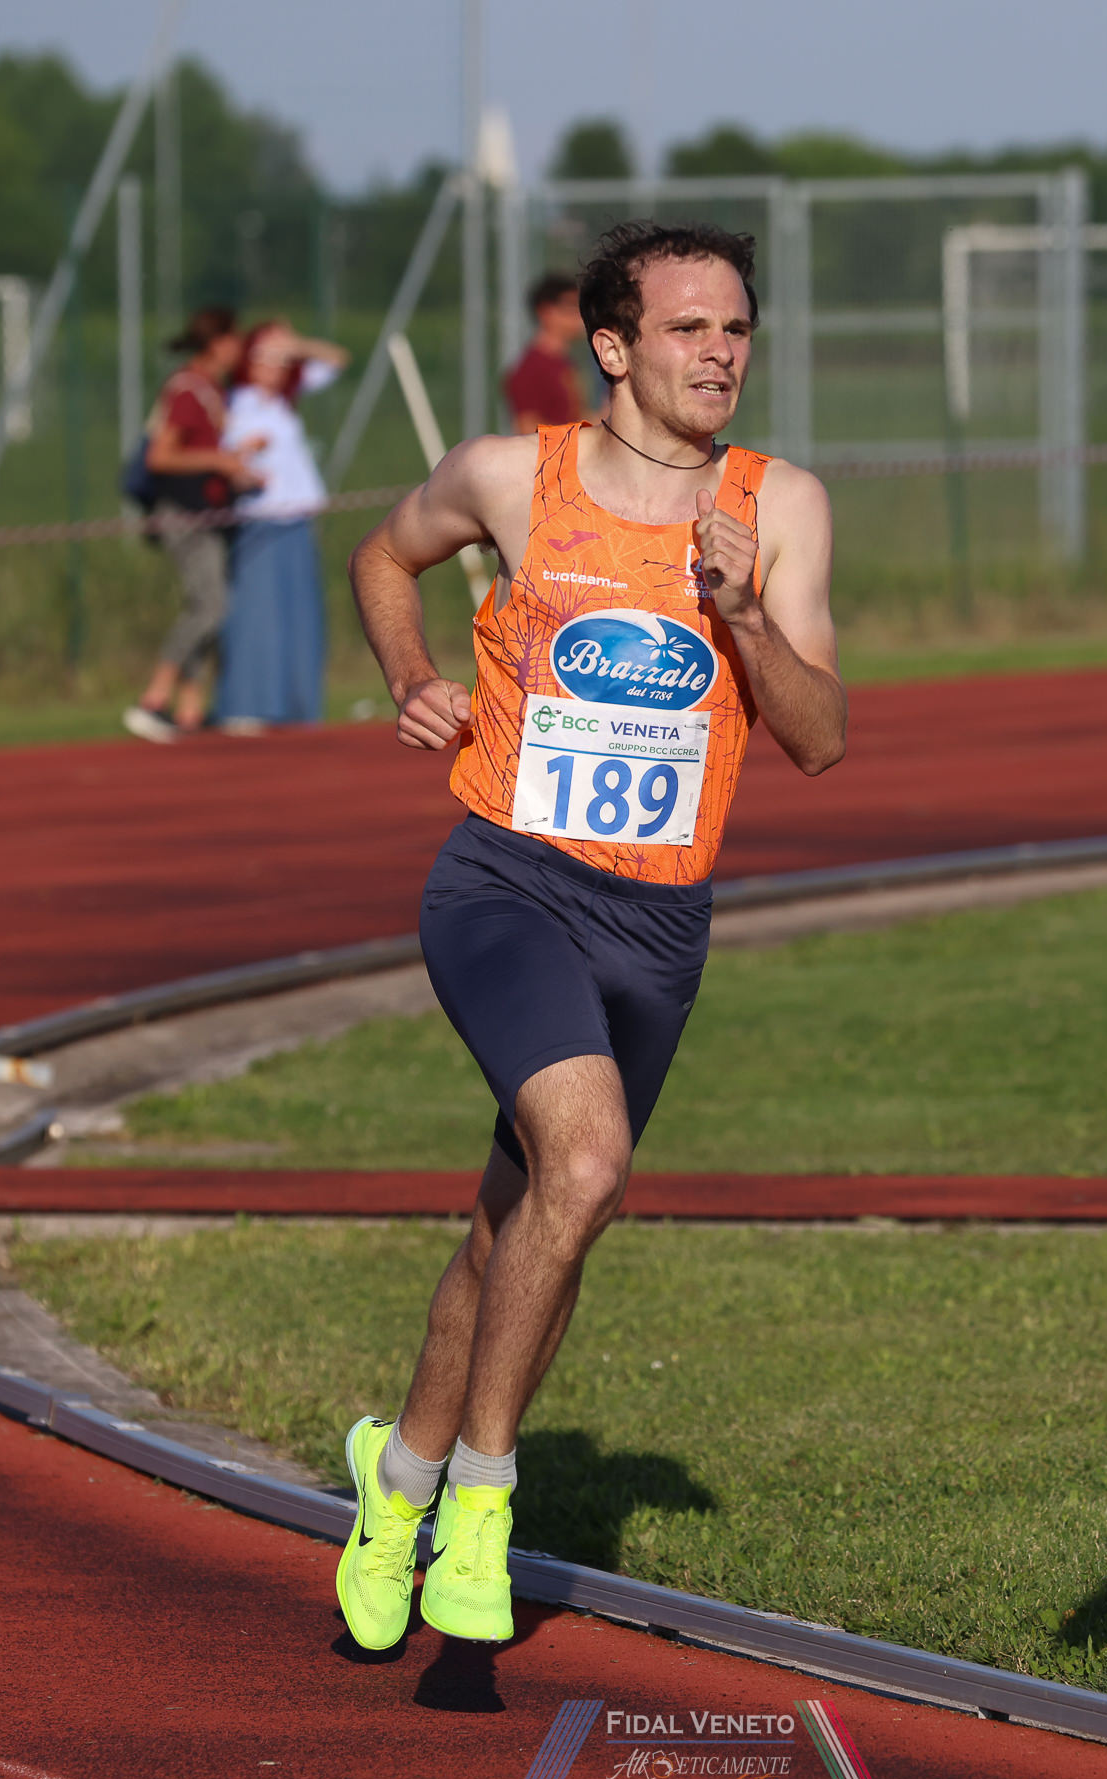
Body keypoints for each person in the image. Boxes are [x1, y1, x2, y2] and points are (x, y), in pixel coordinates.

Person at [334, 220, 845, 1651]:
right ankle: (483, 1500)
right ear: (612, 346)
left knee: (525, 1223)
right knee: (588, 1162)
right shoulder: (514, 476)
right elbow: (383, 556)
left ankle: (397, 1482)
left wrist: (746, 617)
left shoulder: (780, 505)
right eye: (689, 328)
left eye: (736, 329)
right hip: (508, 884)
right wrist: (413, 675)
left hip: (658, 924)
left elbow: (820, 739)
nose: (720, 354)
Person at [122, 308, 263, 744]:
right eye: (234, 340)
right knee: (209, 607)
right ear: (217, 343)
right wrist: (218, 460)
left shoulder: (212, 389)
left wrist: (236, 462)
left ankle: (188, 708)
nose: (239, 349)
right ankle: (153, 697)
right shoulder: (188, 389)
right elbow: (160, 456)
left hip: (209, 512)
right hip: (183, 514)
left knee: (207, 604)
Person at [209, 320, 349, 733]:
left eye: (281, 360)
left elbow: (337, 359)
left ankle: (296, 707)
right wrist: (242, 464)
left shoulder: (282, 403)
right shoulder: (240, 403)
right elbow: (231, 458)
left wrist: (295, 344)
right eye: (265, 357)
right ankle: (248, 705)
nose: (275, 366)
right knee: (257, 616)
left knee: (299, 618)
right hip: (262, 522)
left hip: (297, 520)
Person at [503, 272, 597, 433]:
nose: (581, 315)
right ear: (546, 312)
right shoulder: (530, 369)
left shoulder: (564, 363)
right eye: (572, 307)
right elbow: (528, 431)